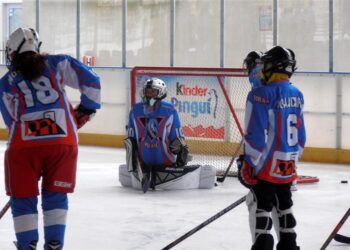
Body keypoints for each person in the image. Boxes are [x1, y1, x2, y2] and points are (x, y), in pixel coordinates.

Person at [0, 28, 101, 250]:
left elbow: (11, 121)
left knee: (23, 199)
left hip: (23, 147)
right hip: (63, 143)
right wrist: (85, 110)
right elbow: (92, 82)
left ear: (14, 53)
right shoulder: (59, 63)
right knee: (55, 197)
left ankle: (28, 245)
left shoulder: (5, 82)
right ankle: (54, 245)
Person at [237, 46, 306, 250]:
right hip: (287, 164)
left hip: (265, 166)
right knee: (285, 208)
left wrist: (248, 162)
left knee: (261, 210)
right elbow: (301, 137)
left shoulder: (260, 94)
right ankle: (289, 246)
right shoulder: (297, 93)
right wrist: (292, 161)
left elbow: (256, 135)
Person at [119, 77, 216, 192]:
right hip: (143, 161)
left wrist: (181, 156)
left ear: (161, 92)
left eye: (153, 91)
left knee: (180, 144)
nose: (149, 94)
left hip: (166, 161)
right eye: (147, 91)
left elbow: (177, 136)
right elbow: (131, 138)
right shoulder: (135, 110)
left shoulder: (169, 110)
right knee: (130, 142)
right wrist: (134, 163)